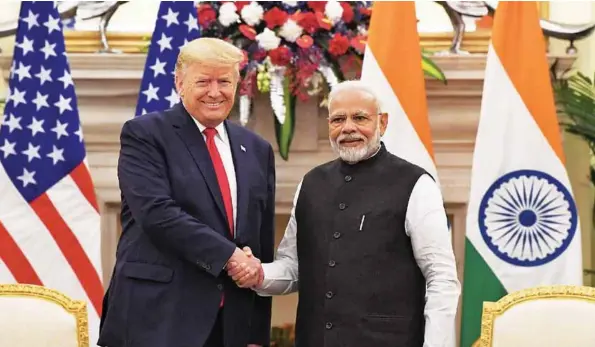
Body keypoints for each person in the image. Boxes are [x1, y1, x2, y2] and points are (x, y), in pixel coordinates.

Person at [228, 80, 461, 346]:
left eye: (359, 117)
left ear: (382, 123)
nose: (348, 127)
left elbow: (441, 277)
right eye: (338, 119)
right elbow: (293, 267)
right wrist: (258, 274)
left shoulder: (416, 183)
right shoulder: (311, 182)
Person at [98, 37, 275, 347]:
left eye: (224, 81)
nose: (215, 91)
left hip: (229, 325)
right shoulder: (145, 134)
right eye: (203, 81)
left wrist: (255, 332)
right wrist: (229, 256)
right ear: (179, 82)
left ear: (238, 85)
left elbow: (260, 240)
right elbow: (157, 214)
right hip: (156, 319)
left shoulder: (257, 149)